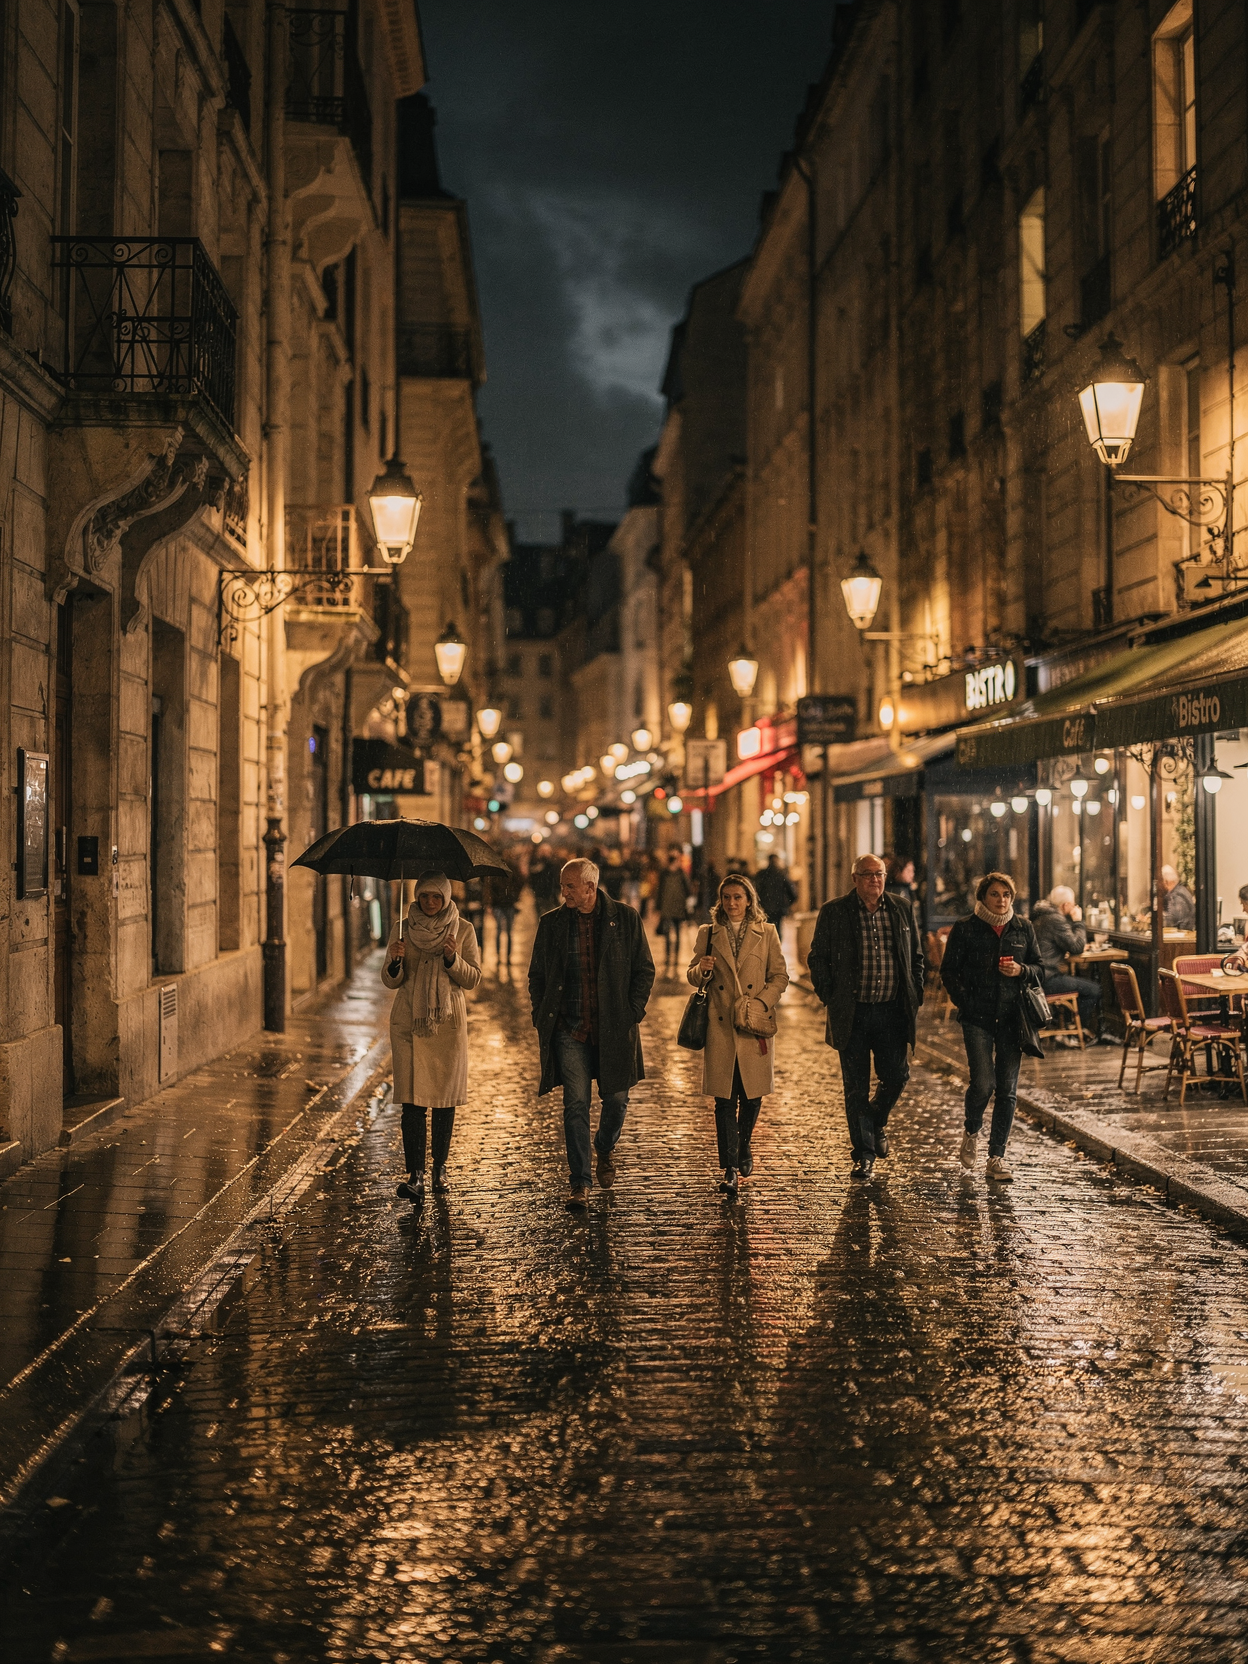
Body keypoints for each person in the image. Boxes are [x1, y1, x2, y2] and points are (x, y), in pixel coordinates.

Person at [528, 857, 656, 1210]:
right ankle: (580, 1183)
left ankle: (604, 1144)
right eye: (562, 886)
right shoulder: (552, 923)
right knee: (576, 1104)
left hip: (614, 1027)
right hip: (570, 1029)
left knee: (617, 1099)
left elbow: (644, 969)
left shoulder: (625, 918)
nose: (564, 893)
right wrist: (541, 1015)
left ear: (590, 887)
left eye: (570, 886)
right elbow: (537, 975)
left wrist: (632, 1012)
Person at [807, 853, 925, 1181]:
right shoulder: (835, 911)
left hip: (891, 1012)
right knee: (856, 1086)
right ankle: (864, 1154)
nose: (875, 879)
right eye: (868, 874)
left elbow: (915, 957)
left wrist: (915, 995)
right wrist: (830, 996)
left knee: (897, 1076)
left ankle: (875, 1122)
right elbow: (818, 957)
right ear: (855, 878)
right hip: (853, 1012)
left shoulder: (901, 908)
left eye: (880, 874)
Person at [939, 871, 1044, 1183]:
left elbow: (1040, 968)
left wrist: (1021, 970)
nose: (1001, 900)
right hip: (978, 1018)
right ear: (983, 898)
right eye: (995, 894)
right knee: (984, 1083)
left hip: (1013, 1018)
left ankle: (996, 1157)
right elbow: (949, 971)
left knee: (1007, 1089)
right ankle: (972, 1129)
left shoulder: (1023, 928)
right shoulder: (966, 928)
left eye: (1006, 895)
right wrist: (966, 1002)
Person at [384, 872, 482, 1204]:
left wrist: (453, 959)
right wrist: (395, 961)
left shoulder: (463, 930)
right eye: (424, 896)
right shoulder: (401, 929)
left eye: (436, 897)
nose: (429, 902)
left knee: (443, 1100)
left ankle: (439, 1168)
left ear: (446, 898)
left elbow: (473, 978)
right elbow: (390, 980)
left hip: (445, 1024)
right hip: (409, 1022)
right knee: (411, 1103)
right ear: (416, 896)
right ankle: (415, 1174)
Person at [687, 874, 789, 1193]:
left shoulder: (767, 933)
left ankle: (744, 1144)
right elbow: (692, 975)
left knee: (752, 1096)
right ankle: (730, 1167)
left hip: (753, 1025)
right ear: (720, 901)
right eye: (727, 897)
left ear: (749, 901)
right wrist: (702, 970)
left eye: (738, 897)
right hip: (720, 1026)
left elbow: (780, 976)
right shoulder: (708, 933)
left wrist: (760, 1003)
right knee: (724, 1100)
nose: (732, 903)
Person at [1031, 884, 1104, 1039]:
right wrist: (1078, 921)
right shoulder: (1056, 919)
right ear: (1065, 905)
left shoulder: (1041, 915)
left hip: (1036, 978)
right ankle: (1074, 1034)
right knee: (1094, 989)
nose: (1074, 907)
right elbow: (1077, 947)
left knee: (1082, 985)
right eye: (1073, 904)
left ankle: (1067, 1027)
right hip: (1047, 979)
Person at [657, 848, 694, 973]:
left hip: (670, 908)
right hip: (676, 908)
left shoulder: (666, 873)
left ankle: (670, 958)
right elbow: (688, 891)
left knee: (670, 935)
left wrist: (659, 907)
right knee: (674, 934)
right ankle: (673, 959)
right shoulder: (679, 873)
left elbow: (660, 891)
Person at [485, 861, 522, 966]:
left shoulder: (509, 867)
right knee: (502, 931)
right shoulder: (503, 868)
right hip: (501, 904)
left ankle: (506, 957)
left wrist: (514, 896)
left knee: (505, 932)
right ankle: (502, 957)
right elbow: (490, 887)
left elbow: (519, 882)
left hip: (506, 904)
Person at [753, 853, 798, 927]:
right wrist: (789, 903)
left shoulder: (763, 874)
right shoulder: (781, 874)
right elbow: (791, 890)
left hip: (767, 906)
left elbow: (757, 889)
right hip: (779, 907)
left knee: (768, 926)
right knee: (777, 927)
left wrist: (760, 902)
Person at [1162, 864, 1196, 931]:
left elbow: (1172, 920)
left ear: (1167, 882)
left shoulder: (1177, 895)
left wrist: (1151, 920)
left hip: (1183, 934)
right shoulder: (1180, 890)